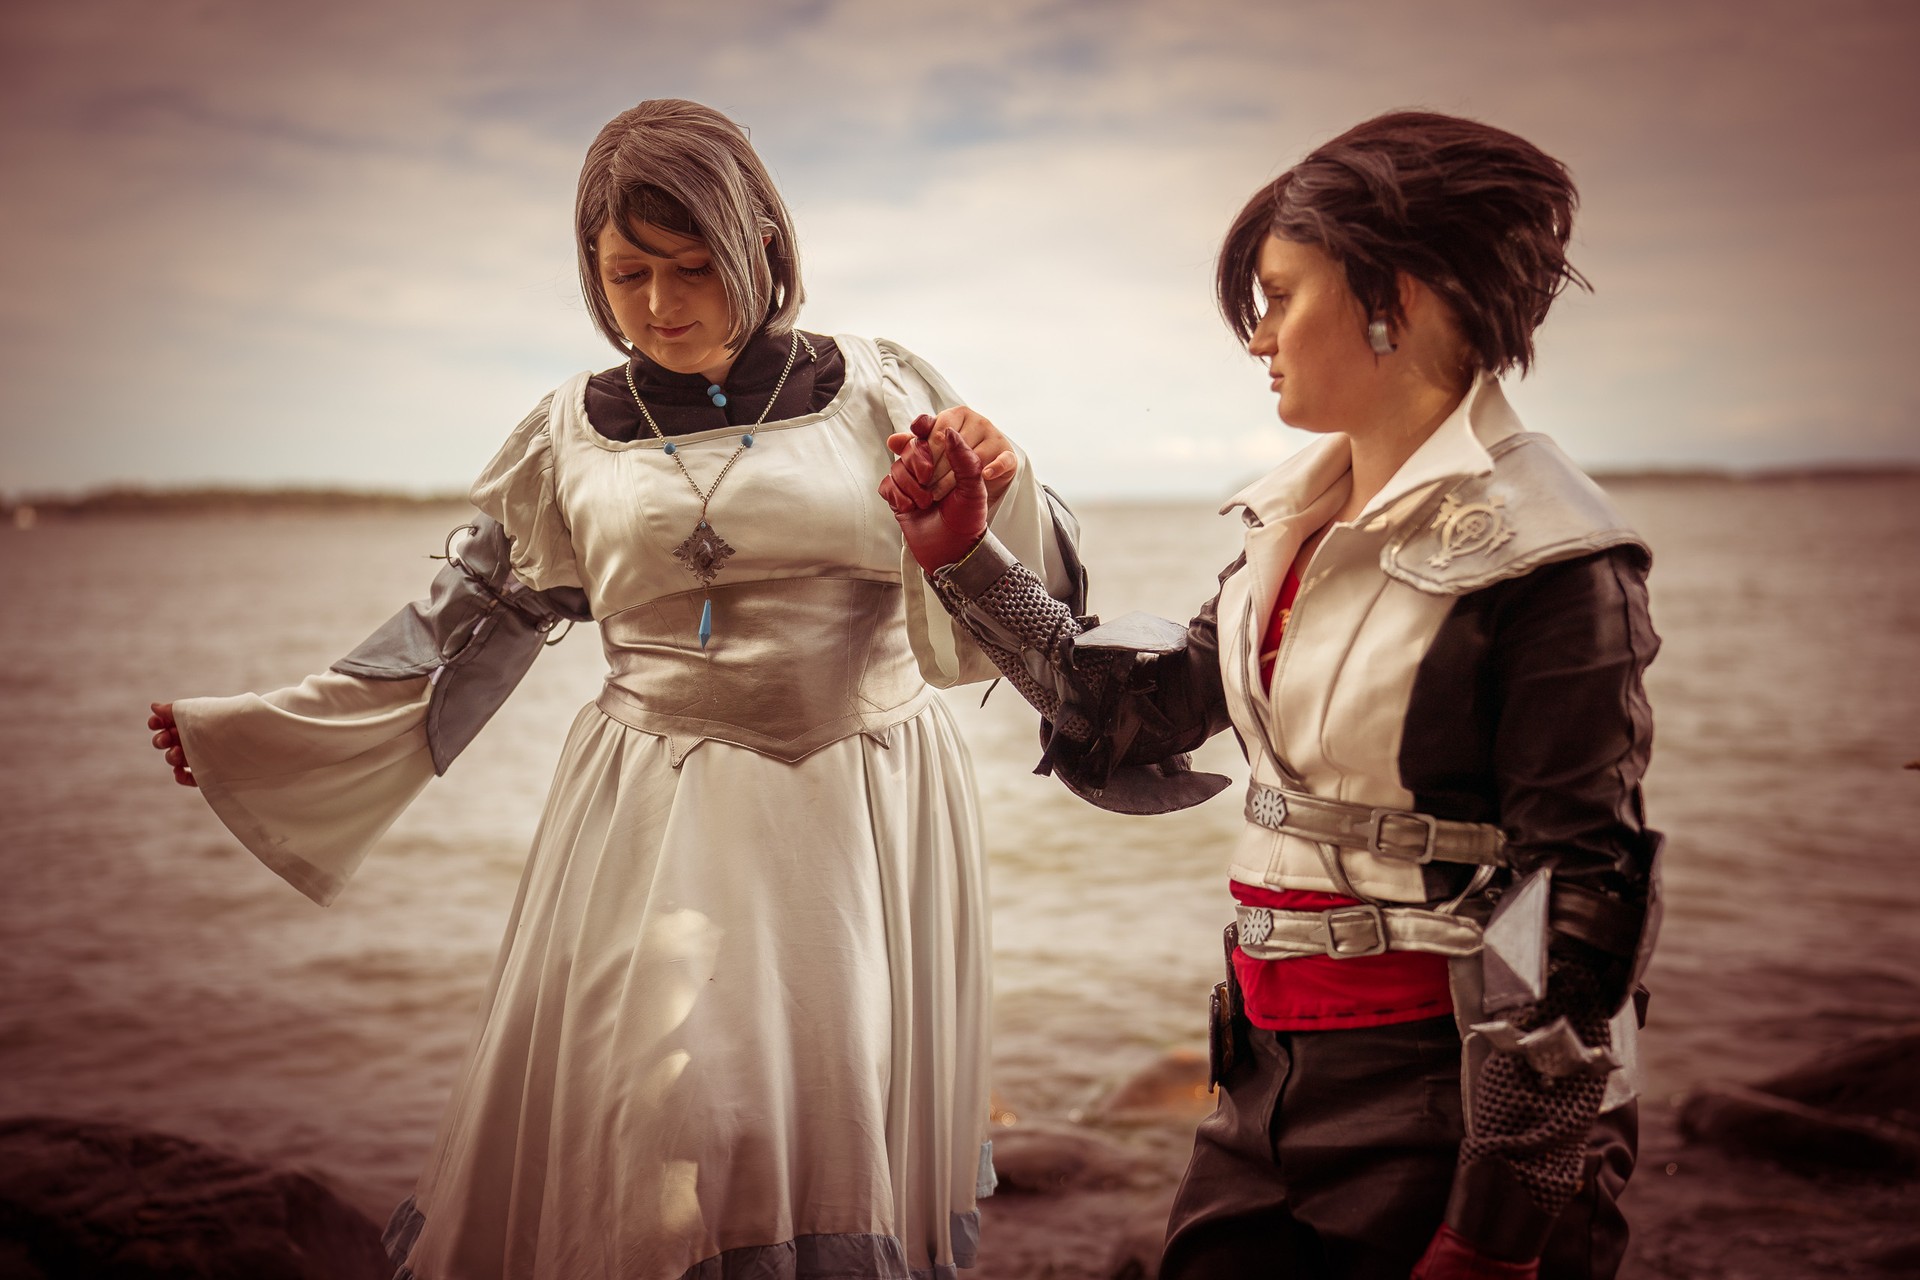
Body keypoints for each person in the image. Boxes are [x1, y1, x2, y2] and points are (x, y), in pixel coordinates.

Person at [147, 98, 1082, 1280]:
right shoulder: (568, 438)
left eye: (692, 267)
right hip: (654, 807)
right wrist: (276, 737)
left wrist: (1003, 481)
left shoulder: (881, 388)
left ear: (762, 247)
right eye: (626, 273)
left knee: (831, 1104)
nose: (658, 303)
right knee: (664, 1109)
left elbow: (1025, 600)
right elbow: (463, 629)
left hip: (863, 798)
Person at [881, 111, 1660, 1280]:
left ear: (1396, 297)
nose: (1258, 336)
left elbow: (1579, 897)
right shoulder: (1289, 526)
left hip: (1448, 1097)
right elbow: (1134, 713)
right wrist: (965, 555)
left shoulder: (1553, 557)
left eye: (1282, 296)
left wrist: (1499, 1222)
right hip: (1263, 1075)